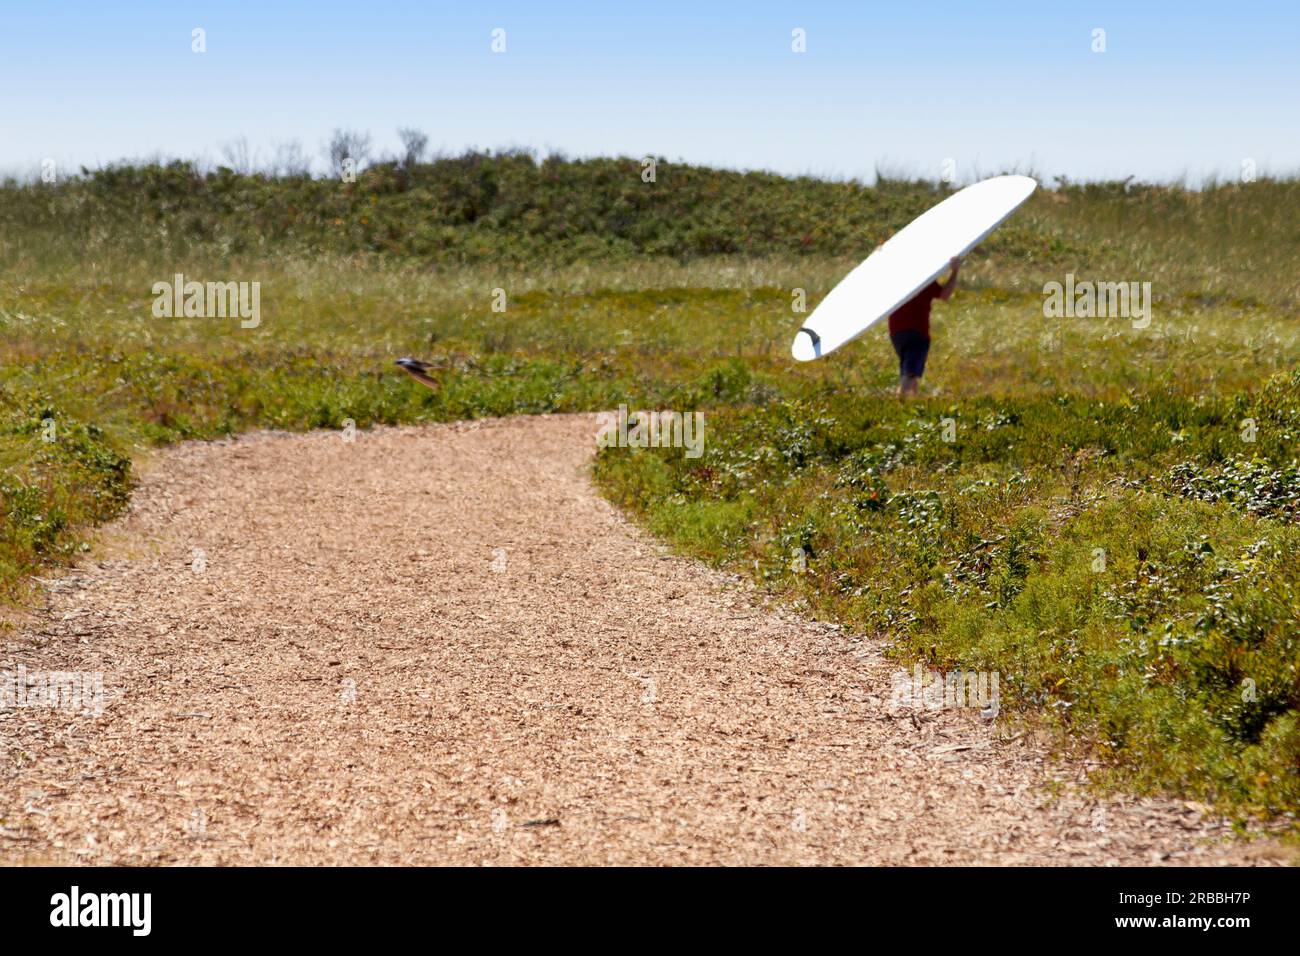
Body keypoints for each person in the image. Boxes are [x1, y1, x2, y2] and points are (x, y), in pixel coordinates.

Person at [888, 256, 960, 397]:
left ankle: (912, 402)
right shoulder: (923, 281)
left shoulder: (895, 278)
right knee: (911, 373)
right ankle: (901, 402)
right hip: (917, 332)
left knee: (909, 370)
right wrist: (955, 271)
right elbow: (945, 295)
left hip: (896, 332)